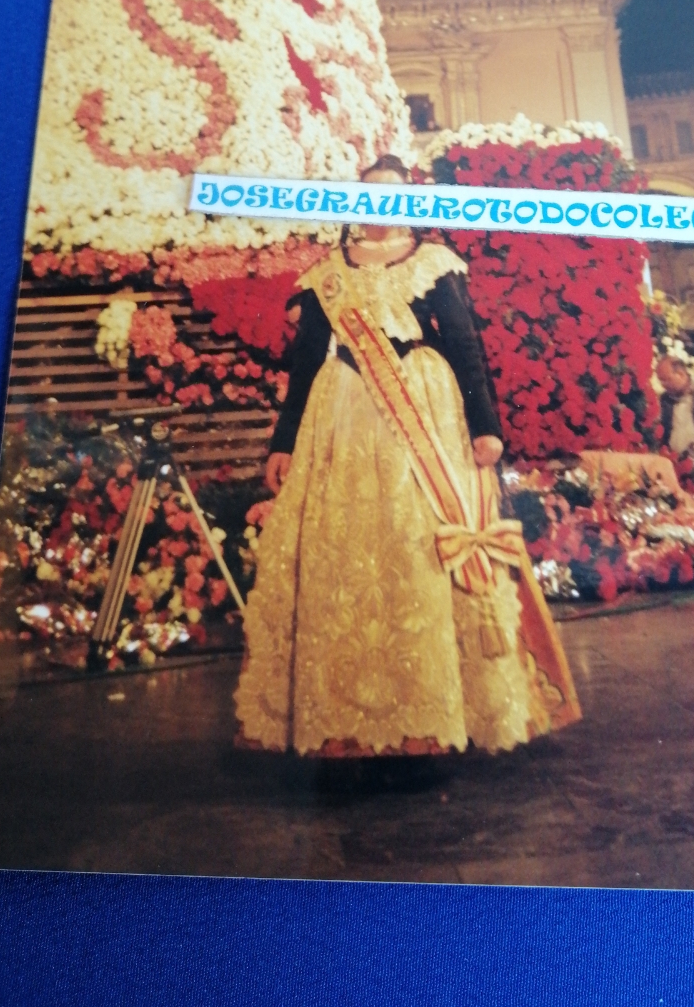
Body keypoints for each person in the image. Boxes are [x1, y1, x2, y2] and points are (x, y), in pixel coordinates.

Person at [234, 157, 579, 756]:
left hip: (425, 412)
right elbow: (305, 363)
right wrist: (284, 442)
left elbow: (467, 348)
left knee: (420, 544)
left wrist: (486, 427)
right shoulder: (325, 278)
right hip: (338, 417)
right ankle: (343, 724)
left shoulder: (434, 264)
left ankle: (441, 713)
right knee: (346, 555)